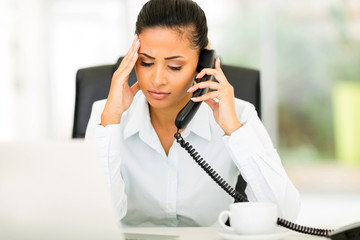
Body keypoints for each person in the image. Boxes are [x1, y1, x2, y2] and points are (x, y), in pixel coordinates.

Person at [85, 0, 300, 227]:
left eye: (174, 66)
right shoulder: (106, 114)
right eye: (146, 62)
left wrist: (234, 131)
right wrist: (111, 121)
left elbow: (284, 216)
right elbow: (94, 218)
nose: (156, 80)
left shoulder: (239, 114)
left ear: (202, 64)